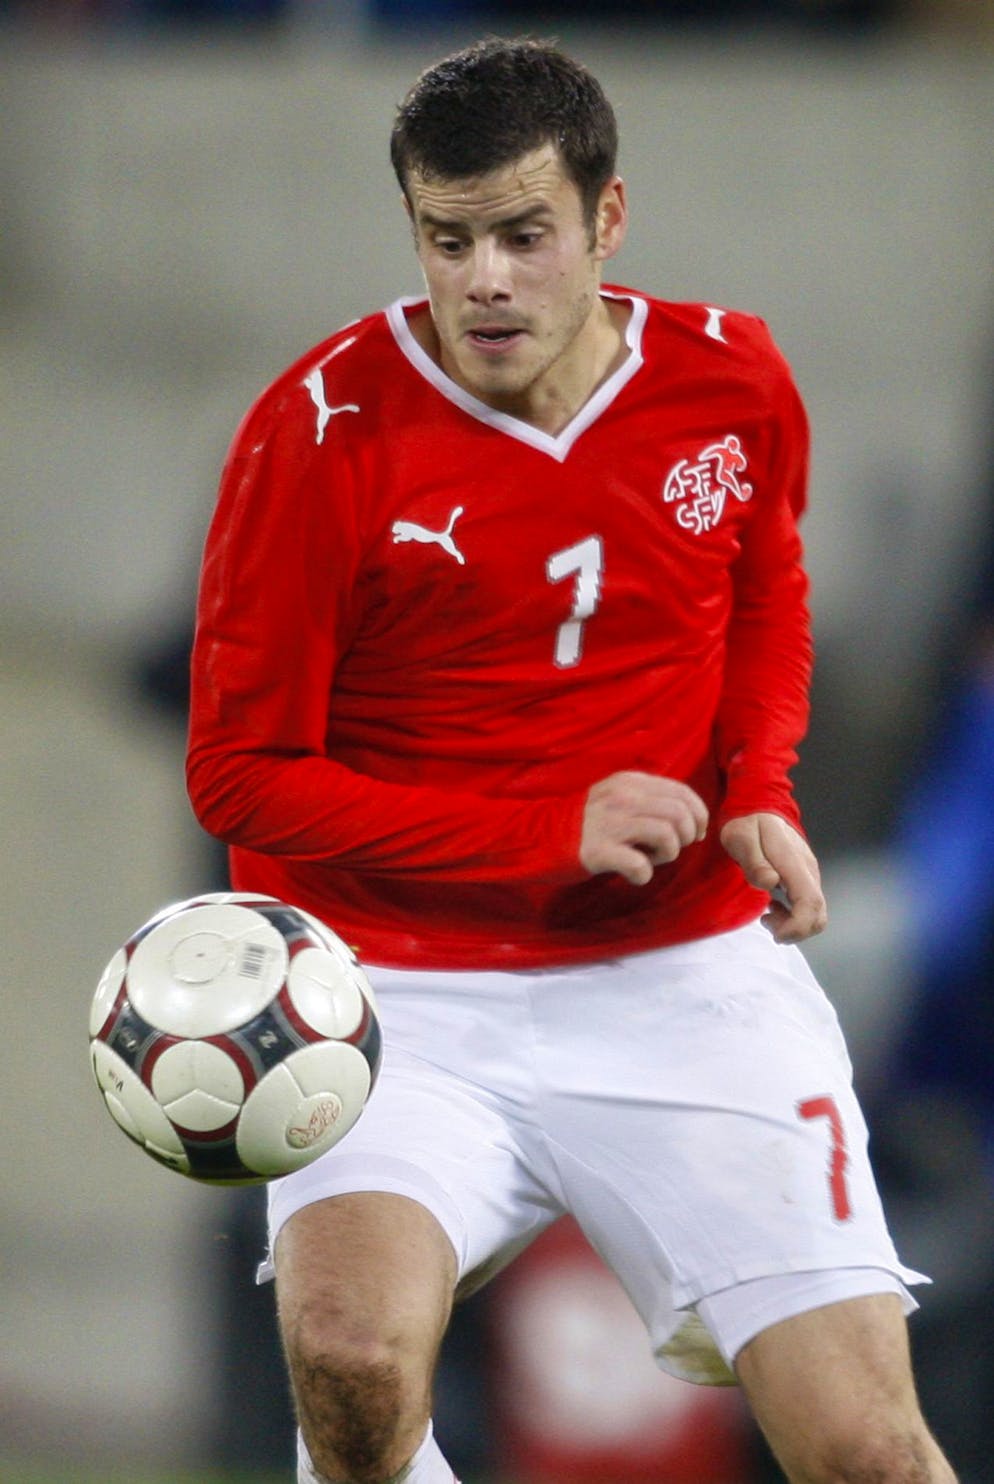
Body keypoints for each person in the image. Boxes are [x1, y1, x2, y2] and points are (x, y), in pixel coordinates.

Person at [186, 37, 956, 1484]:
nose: (483, 280)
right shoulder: (318, 431)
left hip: (680, 974)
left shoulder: (730, 377)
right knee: (349, 1362)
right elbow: (239, 773)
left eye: (522, 236)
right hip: (395, 992)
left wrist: (759, 787)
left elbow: (763, 590)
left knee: (869, 1448)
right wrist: (544, 826)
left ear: (607, 219)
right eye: (447, 238)